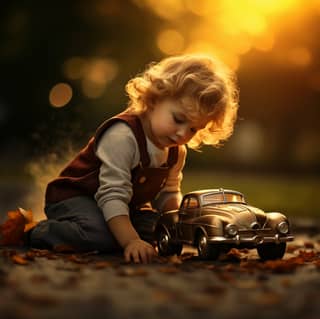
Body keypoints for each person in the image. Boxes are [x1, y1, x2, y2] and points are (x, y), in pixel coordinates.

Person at [1, 54, 239, 264]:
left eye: (193, 129)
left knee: (157, 230)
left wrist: (175, 222)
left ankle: (119, 232)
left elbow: (169, 192)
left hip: (122, 205)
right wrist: (131, 241)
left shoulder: (177, 150)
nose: (182, 133)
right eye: (178, 119)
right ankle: (36, 232)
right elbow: (112, 193)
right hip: (75, 197)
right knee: (102, 236)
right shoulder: (123, 136)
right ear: (155, 99)